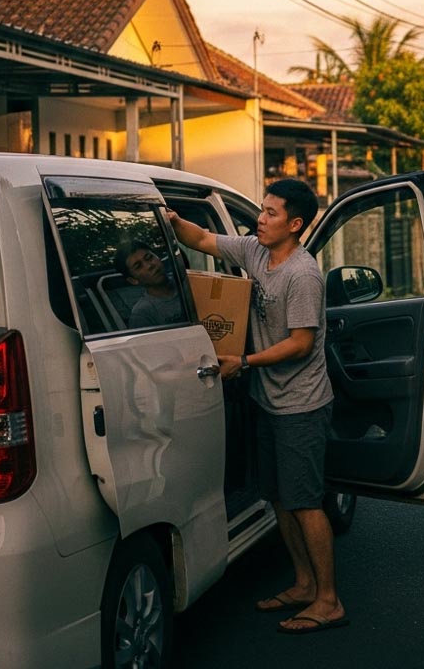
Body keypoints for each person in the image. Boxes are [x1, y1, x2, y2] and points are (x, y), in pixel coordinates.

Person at [167, 179, 348, 635]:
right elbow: (203, 238)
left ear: (295, 224)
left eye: (270, 213)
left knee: (306, 503)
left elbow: (302, 344)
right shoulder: (255, 251)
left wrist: (243, 362)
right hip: (268, 402)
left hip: (301, 406)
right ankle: (304, 583)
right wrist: (164, 217)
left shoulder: (302, 275)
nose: (259, 219)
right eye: (261, 210)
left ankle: (328, 600)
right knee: (279, 500)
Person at [114, 239, 186, 329]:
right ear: (133, 280)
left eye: (149, 258)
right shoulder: (142, 314)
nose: (149, 266)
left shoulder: (188, 283)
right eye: (138, 266)